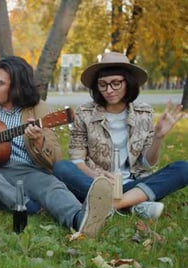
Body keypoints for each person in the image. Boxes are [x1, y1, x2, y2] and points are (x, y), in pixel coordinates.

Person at [0, 55, 113, 237]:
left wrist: (39, 141)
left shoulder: (39, 109)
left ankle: (79, 219)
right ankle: (25, 203)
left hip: (26, 173)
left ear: (16, 87)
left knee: (50, 186)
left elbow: (55, 161)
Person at [53, 51, 187, 219]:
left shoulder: (144, 113)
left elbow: (147, 163)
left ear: (128, 82)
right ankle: (134, 205)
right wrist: (95, 175)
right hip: (95, 184)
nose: (109, 90)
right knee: (61, 167)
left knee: (183, 168)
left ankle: (112, 204)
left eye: (116, 83)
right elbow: (77, 160)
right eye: (103, 84)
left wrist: (158, 137)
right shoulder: (85, 113)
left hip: (133, 184)